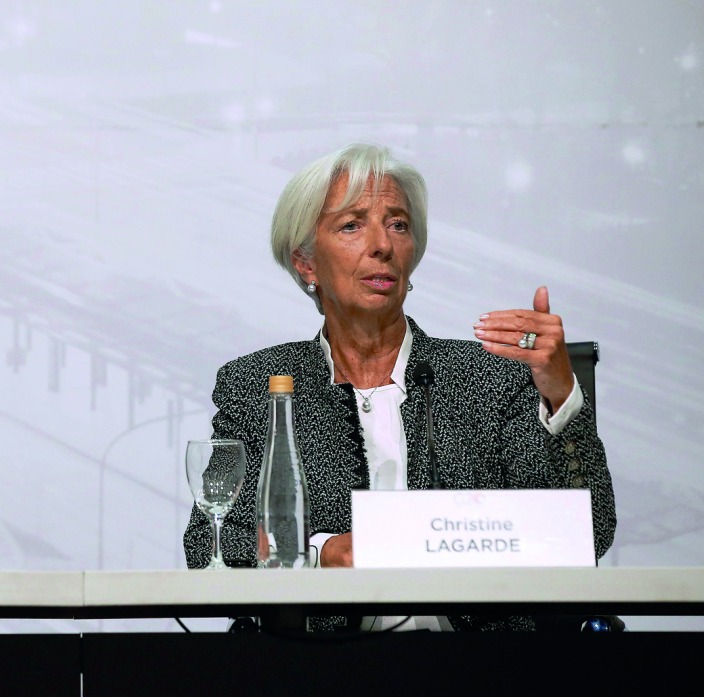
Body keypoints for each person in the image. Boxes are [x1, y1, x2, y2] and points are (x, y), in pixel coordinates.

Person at [182, 143, 616, 632]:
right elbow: (209, 546)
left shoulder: (493, 375)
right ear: (305, 263)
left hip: (479, 669)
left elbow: (587, 533)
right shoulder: (257, 386)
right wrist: (319, 555)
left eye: (398, 224)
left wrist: (560, 392)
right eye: (351, 225)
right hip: (317, 670)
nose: (382, 245)